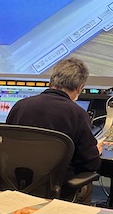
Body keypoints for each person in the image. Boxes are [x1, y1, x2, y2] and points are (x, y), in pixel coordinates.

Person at [6, 56, 101, 204]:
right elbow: (90, 165)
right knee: (86, 185)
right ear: (79, 87)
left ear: (52, 80)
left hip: (18, 183)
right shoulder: (78, 114)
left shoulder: (20, 106)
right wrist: (96, 151)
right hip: (58, 189)